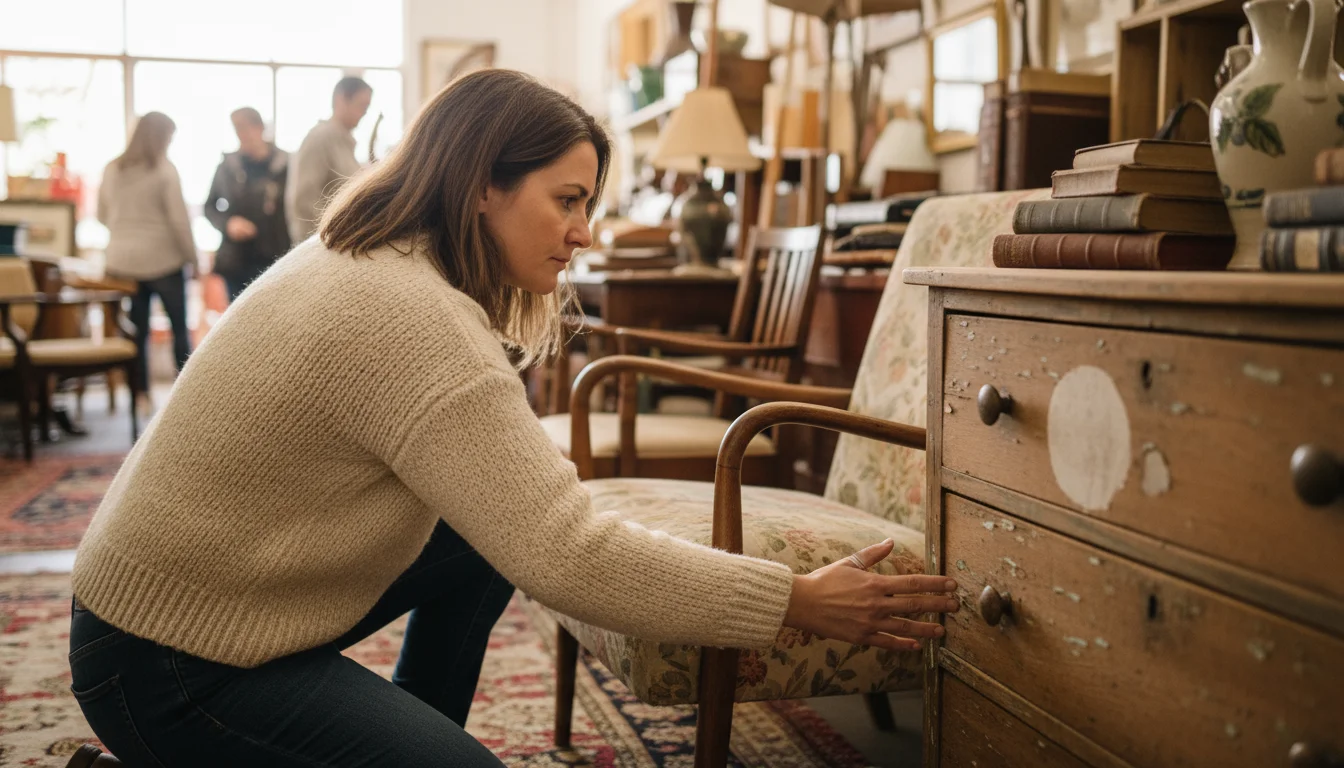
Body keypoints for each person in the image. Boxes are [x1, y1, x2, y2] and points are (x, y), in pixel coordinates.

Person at [67, 70, 959, 767]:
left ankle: (394, 733)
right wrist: (799, 600)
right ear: (483, 185)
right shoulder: (409, 317)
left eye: (589, 207)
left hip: (189, 605)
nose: (583, 234)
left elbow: (528, 524)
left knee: (481, 533)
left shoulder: (377, 256)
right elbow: (567, 550)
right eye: (566, 201)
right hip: (169, 662)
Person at [97, 111, 195, 397]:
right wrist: (193, 258)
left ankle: (139, 394)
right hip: (163, 260)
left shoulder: (112, 168)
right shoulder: (164, 169)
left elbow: (102, 215)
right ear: (161, 136)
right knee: (179, 328)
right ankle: (183, 395)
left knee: (136, 333)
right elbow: (179, 222)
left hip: (121, 262)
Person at [205, 107, 291, 302]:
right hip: (238, 260)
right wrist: (228, 224)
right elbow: (209, 207)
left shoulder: (285, 164)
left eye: (245, 127)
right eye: (237, 129)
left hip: (276, 255)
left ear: (260, 127)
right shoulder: (228, 166)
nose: (242, 134)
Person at [284, 75, 371, 243]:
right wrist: (321, 243)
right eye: (362, 105)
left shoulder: (343, 141)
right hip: (320, 247)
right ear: (341, 100)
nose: (365, 113)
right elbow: (303, 200)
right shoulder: (321, 138)